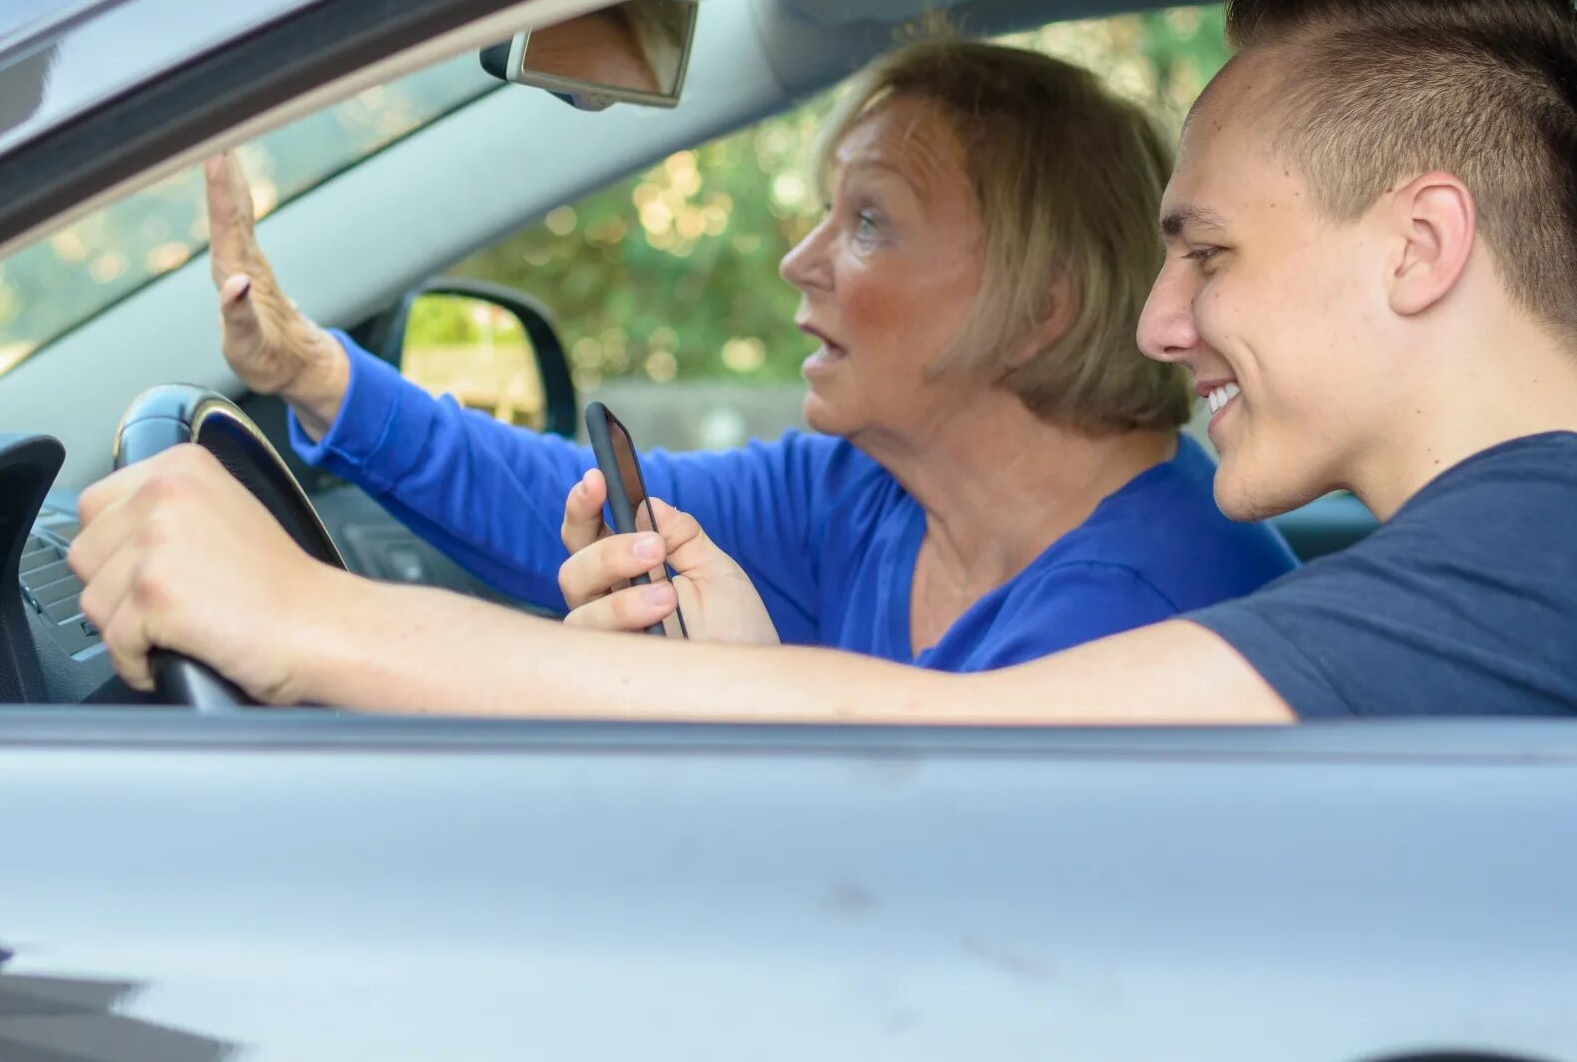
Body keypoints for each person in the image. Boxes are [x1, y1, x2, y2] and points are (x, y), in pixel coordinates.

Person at [71, 0, 1577, 721]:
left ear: (1422, 247)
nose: (1164, 322)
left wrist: (300, 621)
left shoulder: (1554, 549)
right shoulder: (1522, 552)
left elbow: (971, 756)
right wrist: (744, 666)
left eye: (1208, 251)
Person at [198, 39, 1292, 674]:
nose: (799, 263)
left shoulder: (1136, 616)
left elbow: (906, 928)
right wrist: (311, 370)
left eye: (870, 222)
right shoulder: (872, 492)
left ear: (1036, 310)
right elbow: (566, 501)